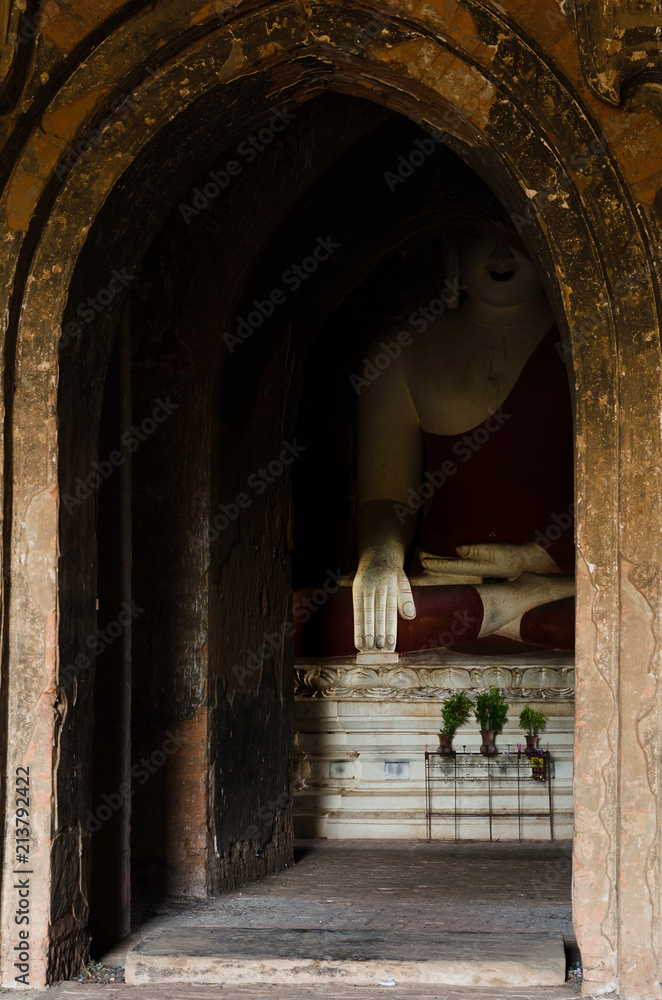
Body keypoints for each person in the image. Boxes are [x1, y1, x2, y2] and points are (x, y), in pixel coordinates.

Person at [294, 224, 575, 658]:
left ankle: (524, 600)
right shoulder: (400, 351)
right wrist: (381, 560)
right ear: (451, 248)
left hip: (573, 585)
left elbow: (637, 493)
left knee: (621, 613)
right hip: (441, 586)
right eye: (479, 235)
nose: (501, 255)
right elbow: (387, 496)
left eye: (517, 235)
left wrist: (543, 559)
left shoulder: (594, 343)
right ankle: (513, 609)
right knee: (304, 621)